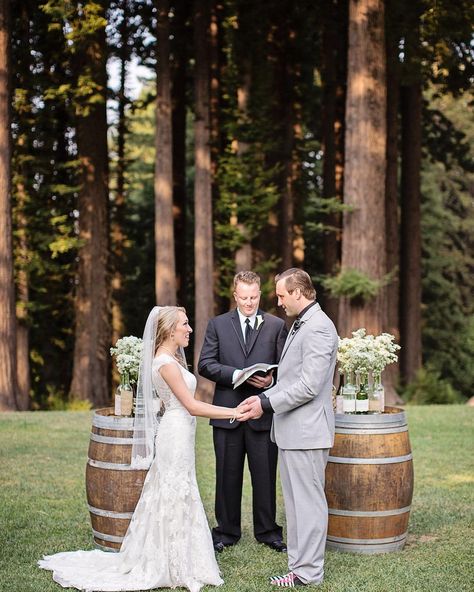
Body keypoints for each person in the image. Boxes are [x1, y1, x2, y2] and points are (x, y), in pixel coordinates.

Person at [39, 306, 246, 592]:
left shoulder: (166, 359)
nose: (189, 329)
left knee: (178, 491)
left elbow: (169, 401)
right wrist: (234, 411)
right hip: (175, 433)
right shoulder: (166, 363)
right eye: (185, 325)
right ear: (171, 330)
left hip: (178, 432)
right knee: (174, 492)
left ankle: (183, 559)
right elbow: (192, 405)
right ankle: (171, 564)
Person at [239, 268, 338, 587]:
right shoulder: (302, 324)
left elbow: (309, 385)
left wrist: (266, 404)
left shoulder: (320, 327)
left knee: (308, 506)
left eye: (281, 295)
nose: (278, 301)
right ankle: (299, 567)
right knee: (296, 507)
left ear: (299, 292)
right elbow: (291, 379)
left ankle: (309, 573)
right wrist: (261, 399)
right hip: (293, 432)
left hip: (308, 433)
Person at [198, 271, 288, 553]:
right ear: (235, 295)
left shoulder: (276, 325)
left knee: (265, 475)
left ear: (260, 294)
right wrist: (237, 374)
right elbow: (205, 364)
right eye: (244, 297)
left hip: (263, 413)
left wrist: (272, 380)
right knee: (227, 475)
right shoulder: (217, 325)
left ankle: (268, 532)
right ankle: (225, 532)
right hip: (228, 413)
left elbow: (287, 365)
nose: (249, 303)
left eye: (254, 297)